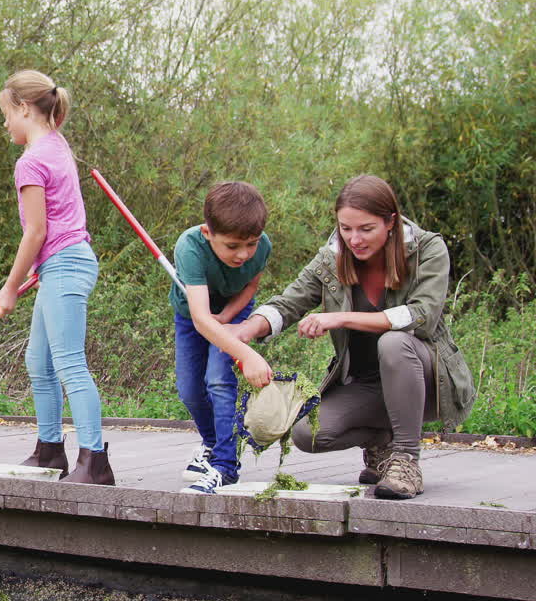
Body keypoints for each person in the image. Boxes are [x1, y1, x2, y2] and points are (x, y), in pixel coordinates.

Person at [229, 175, 476, 500]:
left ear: (390, 222)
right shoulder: (331, 258)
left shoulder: (428, 249)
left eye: (365, 229)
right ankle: (380, 442)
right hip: (366, 384)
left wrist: (339, 317)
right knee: (307, 434)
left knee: (394, 341)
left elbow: (422, 317)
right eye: (346, 229)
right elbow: (288, 303)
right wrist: (243, 331)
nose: (354, 239)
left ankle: (406, 460)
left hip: (427, 378)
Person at [0, 70, 111, 485]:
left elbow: (36, 231)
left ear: (24, 108)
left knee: (68, 364)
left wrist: (9, 288)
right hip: (62, 264)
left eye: (7, 113)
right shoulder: (58, 145)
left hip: (64, 264)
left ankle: (95, 462)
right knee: (39, 362)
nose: (5, 123)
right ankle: (49, 452)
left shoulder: (31, 161)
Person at [169, 181, 274, 495]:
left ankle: (225, 468)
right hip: (192, 314)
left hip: (234, 308)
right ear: (207, 233)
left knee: (218, 379)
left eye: (251, 244)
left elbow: (250, 287)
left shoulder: (262, 246)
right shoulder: (189, 246)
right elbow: (201, 318)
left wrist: (227, 319)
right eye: (232, 246)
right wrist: (250, 355)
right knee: (189, 389)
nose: (243, 254)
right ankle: (214, 446)